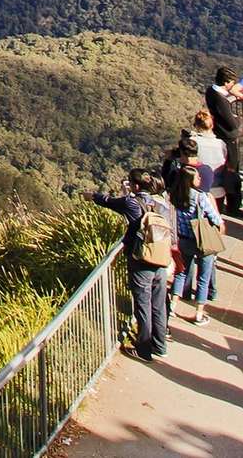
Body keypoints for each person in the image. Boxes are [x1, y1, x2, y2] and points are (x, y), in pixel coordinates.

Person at [94, 170, 177, 361]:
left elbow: (107, 201)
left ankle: (144, 350)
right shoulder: (162, 203)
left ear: (136, 185)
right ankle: (160, 345)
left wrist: (93, 196)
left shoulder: (131, 202)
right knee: (158, 305)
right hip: (161, 259)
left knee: (143, 305)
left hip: (141, 260)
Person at [168, 166, 223, 322]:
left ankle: (172, 305)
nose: (200, 179)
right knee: (203, 277)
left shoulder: (174, 196)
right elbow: (214, 217)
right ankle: (199, 313)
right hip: (202, 239)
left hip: (184, 239)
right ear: (190, 180)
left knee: (181, 273)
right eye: (197, 177)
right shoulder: (200, 197)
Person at [206, 66, 243, 217]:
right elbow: (231, 123)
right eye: (231, 82)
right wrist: (237, 119)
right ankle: (233, 206)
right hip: (227, 138)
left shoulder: (210, 92)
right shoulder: (221, 99)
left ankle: (221, 203)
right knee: (232, 172)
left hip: (219, 135)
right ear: (226, 82)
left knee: (222, 171)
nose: (233, 86)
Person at [191, 110, 228, 198]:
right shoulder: (221, 143)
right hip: (218, 186)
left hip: (198, 188)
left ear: (196, 125)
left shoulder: (193, 142)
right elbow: (225, 160)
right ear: (212, 125)